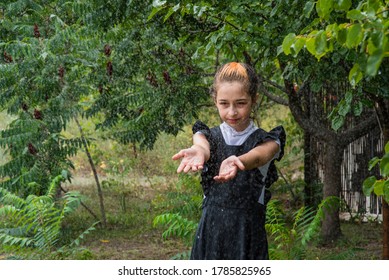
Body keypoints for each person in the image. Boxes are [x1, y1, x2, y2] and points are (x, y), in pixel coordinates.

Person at [172, 62, 285, 260]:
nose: (232, 112)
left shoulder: (268, 140)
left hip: (247, 235)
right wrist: (198, 150)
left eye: (240, 103)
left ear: (254, 100)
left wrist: (237, 161)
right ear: (215, 101)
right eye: (224, 103)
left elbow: (259, 156)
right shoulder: (207, 136)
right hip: (210, 234)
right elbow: (201, 145)